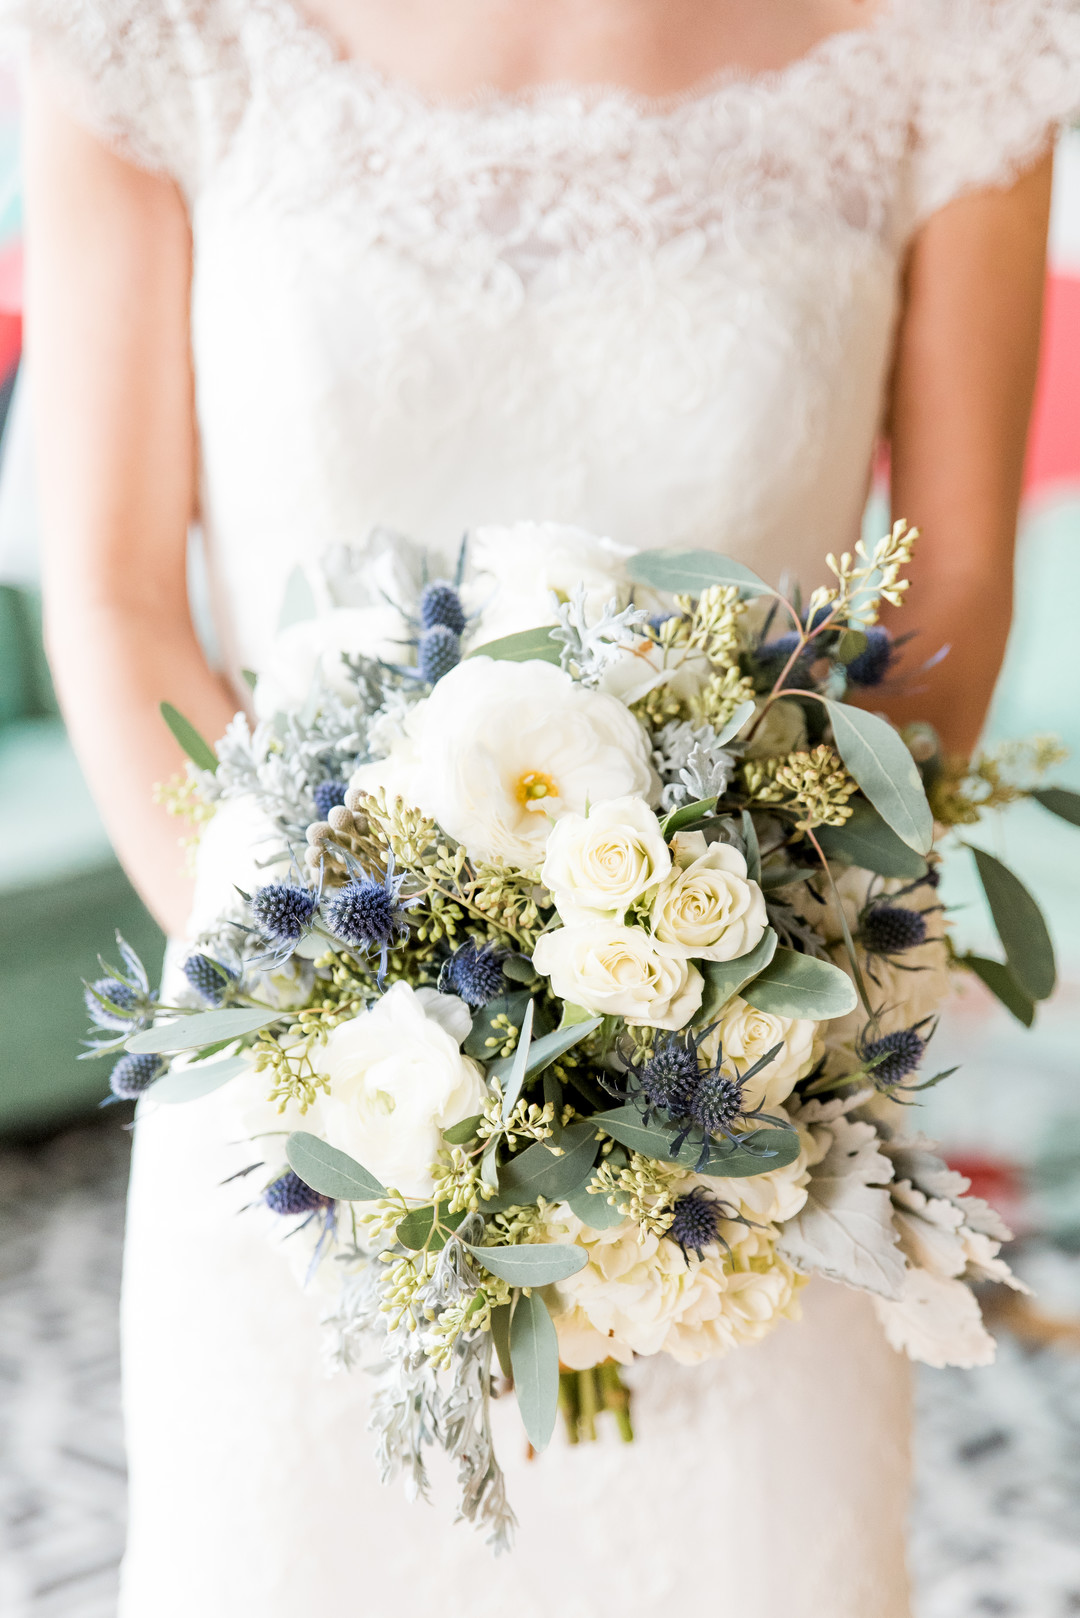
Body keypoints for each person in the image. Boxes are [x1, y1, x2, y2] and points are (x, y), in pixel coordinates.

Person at [9, 0, 1080, 1613]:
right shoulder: (144, 32)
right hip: (318, 1101)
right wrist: (340, 1027)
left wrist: (725, 1024)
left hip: (754, 1121)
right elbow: (111, 597)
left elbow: (950, 594)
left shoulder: (956, 46)